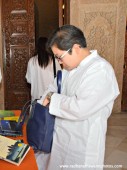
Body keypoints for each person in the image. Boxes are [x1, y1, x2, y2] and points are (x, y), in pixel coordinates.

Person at [38, 25, 119, 169]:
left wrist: (52, 99)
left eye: (59, 57)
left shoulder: (100, 70)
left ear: (75, 48)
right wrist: (50, 97)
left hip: (83, 144)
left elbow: (80, 107)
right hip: (61, 139)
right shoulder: (69, 69)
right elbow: (49, 90)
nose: (59, 62)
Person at [25, 37, 61, 170]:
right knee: (49, 130)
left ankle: (35, 159)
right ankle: (49, 158)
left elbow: (28, 79)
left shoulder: (32, 61)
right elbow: (59, 80)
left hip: (37, 101)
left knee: (36, 129)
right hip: (50, 101)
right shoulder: (56, 61)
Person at [26, 37, 61, 101]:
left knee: (37, 111)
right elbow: (60, 78)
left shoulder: (32, 61)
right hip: (50, 99)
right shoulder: (54, 61)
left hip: (36, 99)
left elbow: (29, 80)